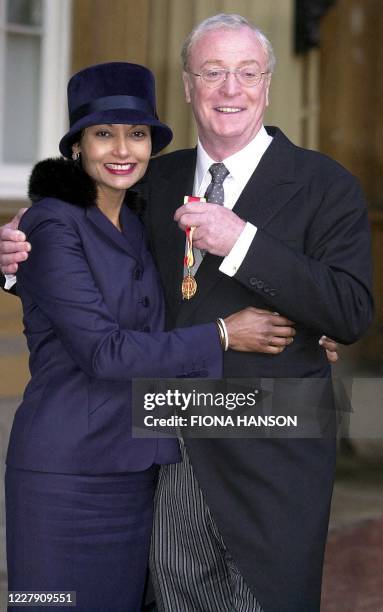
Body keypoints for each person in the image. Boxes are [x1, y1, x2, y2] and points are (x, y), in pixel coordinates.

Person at [0, 15, 367, 612]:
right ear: (189, 88)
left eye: (247, 73)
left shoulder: (327, 185)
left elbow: (351, 311)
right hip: (161, 447)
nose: (230, 88)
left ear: (268, 85)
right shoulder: (151, 179)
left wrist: (242, 242)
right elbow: (100, 270)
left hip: (272, 456)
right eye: (212, 73)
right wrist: (16, 258)